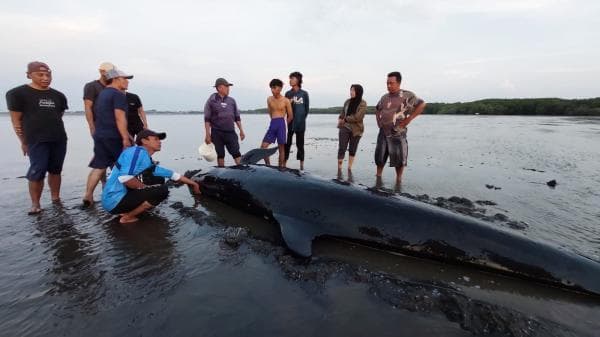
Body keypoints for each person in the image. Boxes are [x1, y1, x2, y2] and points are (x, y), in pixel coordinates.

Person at [6, 61, 68, 214]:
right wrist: (23, 141)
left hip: (58, 138)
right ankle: (35, 203)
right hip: (36, 139)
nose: (45, 78)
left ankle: (55, 198)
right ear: (29, 75)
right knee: (37, 170)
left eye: (48, 74)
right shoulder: (17, 94)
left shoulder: (58, 96)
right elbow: (16, 120)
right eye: (40, 75)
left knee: (55, 170)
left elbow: (58, 116)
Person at [102, 129, 200, 224]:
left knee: (158, 179)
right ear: (144, 141)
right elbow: (124, 178)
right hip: (114, 201)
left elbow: (171, 174)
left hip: (116, 200)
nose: (160, 142)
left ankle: (129, 209)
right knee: (162, 191)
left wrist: (193, 183)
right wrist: (147, 189)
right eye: (156, 139)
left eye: (159, 139)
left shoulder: (145, 158)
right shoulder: (136, 152)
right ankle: (127, 217)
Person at [82, 68, 134, 207]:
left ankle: (88, 195)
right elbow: (119, 117)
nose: (127, 81)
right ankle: (123, 195)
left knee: (99, 166)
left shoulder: (103, 94)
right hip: (113, 136)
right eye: (125, 78)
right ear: (116, 79)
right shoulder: (118, 95)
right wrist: (125, 137)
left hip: (100, 135)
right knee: (123, 166)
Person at [374, 71, 426, 185]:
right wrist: (379, 121)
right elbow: (377, 109)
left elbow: (422, 104)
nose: (388, 86)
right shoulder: (384, 97)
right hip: (383, 131)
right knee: (379, 157)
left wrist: (409, 119)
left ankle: (398, 182)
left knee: (399, 159)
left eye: (391, 83)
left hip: (397, 132)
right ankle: (378, 179)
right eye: (387, 83)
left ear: (398, 83)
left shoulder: (408, 95)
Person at [203, 78, 245, 167]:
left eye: (228, 87)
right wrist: (207, 134)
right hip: (217, 132)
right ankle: (221, 172)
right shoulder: (211, 100)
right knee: (220, 154)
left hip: (230, 132)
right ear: (219, 88)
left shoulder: (232, 101)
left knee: (236, 152)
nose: (228, 89)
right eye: (227, 87)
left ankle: (242, 170)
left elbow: (237, 117)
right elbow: (207, 119)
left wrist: (241, 130)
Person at [260, 79, 293, 167]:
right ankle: (268, 166)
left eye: (274, 88)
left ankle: (280, 167)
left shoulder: (286, 100)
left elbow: (290, 115)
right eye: (271, 88)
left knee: (281, 148)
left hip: (281, 124)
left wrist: (285, 124)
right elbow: (270, 112)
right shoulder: (269, 99)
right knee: (263, 147)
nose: (272, 90)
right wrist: (273, 122)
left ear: (280, 88)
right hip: (273, 123)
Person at [337, 84, 367, 171]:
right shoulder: (347, 101)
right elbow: (343, 113)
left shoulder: (363, 103)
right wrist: (340, 118)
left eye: (353, 90)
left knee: (352, 149)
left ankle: (349, 168)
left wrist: (345, 119)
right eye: (351, 90)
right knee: (342, 147)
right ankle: (339, 169)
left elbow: (358, 117)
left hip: (357, 129)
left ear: (358, 92)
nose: (351, 92)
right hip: (344, 127)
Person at [284, 71, 309, 171]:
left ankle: (302, 166)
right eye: (290, 78)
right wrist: (289, 104)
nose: (290, 80)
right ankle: (284, 164)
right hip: (290, 123)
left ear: (298, 80)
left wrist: (301, 118)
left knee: (300, 145)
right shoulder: (288, 93)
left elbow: (306, 109)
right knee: (287, 143)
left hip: (300, 123)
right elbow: (285, 108)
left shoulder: (304, 94)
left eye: (292, 78)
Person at [83, 62, 116, 137]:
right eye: (109, 72)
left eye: (112, 72)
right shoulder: (91, 86)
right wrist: (92, 127)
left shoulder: (113, 88)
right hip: (100, 126)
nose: (111, 74)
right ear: (101, 72)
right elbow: (88, 107)